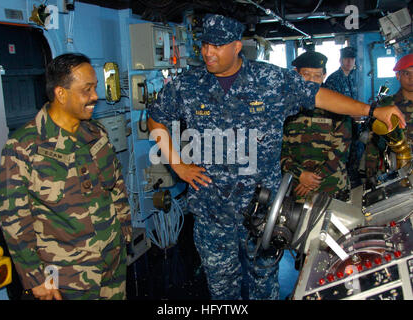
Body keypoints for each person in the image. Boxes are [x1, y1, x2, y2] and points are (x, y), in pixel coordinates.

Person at [147, 14, 405, 300]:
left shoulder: (270, 79)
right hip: (212, 211)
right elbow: (156, 119)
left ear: (236, 46)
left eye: (217, 45)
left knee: (264, 282)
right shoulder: (187, 84)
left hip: (264, 208)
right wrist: (179, 166)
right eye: (205, 44)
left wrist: (371, 111)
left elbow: (319, 96)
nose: (208, 52)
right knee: (221, 288)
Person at [0, 53, 132, 300]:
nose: (95, 96)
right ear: (61, 93)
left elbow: (116, 186)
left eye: (95, 88)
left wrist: (124, 232)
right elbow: (14, 220)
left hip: (112, 265)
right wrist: (36, 280)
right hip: (66, 278)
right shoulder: (22, 147)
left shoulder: (96, 133)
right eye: (87, 89)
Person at [281, 51, 351, 202]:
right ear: (296, 74)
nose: (311, 81)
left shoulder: (337, 105)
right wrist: (301, 175)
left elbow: (341, 150)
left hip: (332, 186)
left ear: (324, 76)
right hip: (297, 186)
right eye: (306, 74)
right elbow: (279, 150)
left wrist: (312, 180)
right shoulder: (284, 106)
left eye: (317, 76)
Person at [365, 53, 413, 177]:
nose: (411, 78)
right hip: (397, 168)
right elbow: (373, 141)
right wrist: (370, 173)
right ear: (398, 75)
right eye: (406, 73)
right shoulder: (386, 106)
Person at [324, 46, 364, 188]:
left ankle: (353, 183)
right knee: (341, 158)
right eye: (346, 59)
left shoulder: (352, 78)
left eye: (351, 59)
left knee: (355, 156)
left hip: (353, 126)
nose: (349, 62)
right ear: (340, 60)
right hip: (339, 127)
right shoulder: (334, 79)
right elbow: (330, 106)